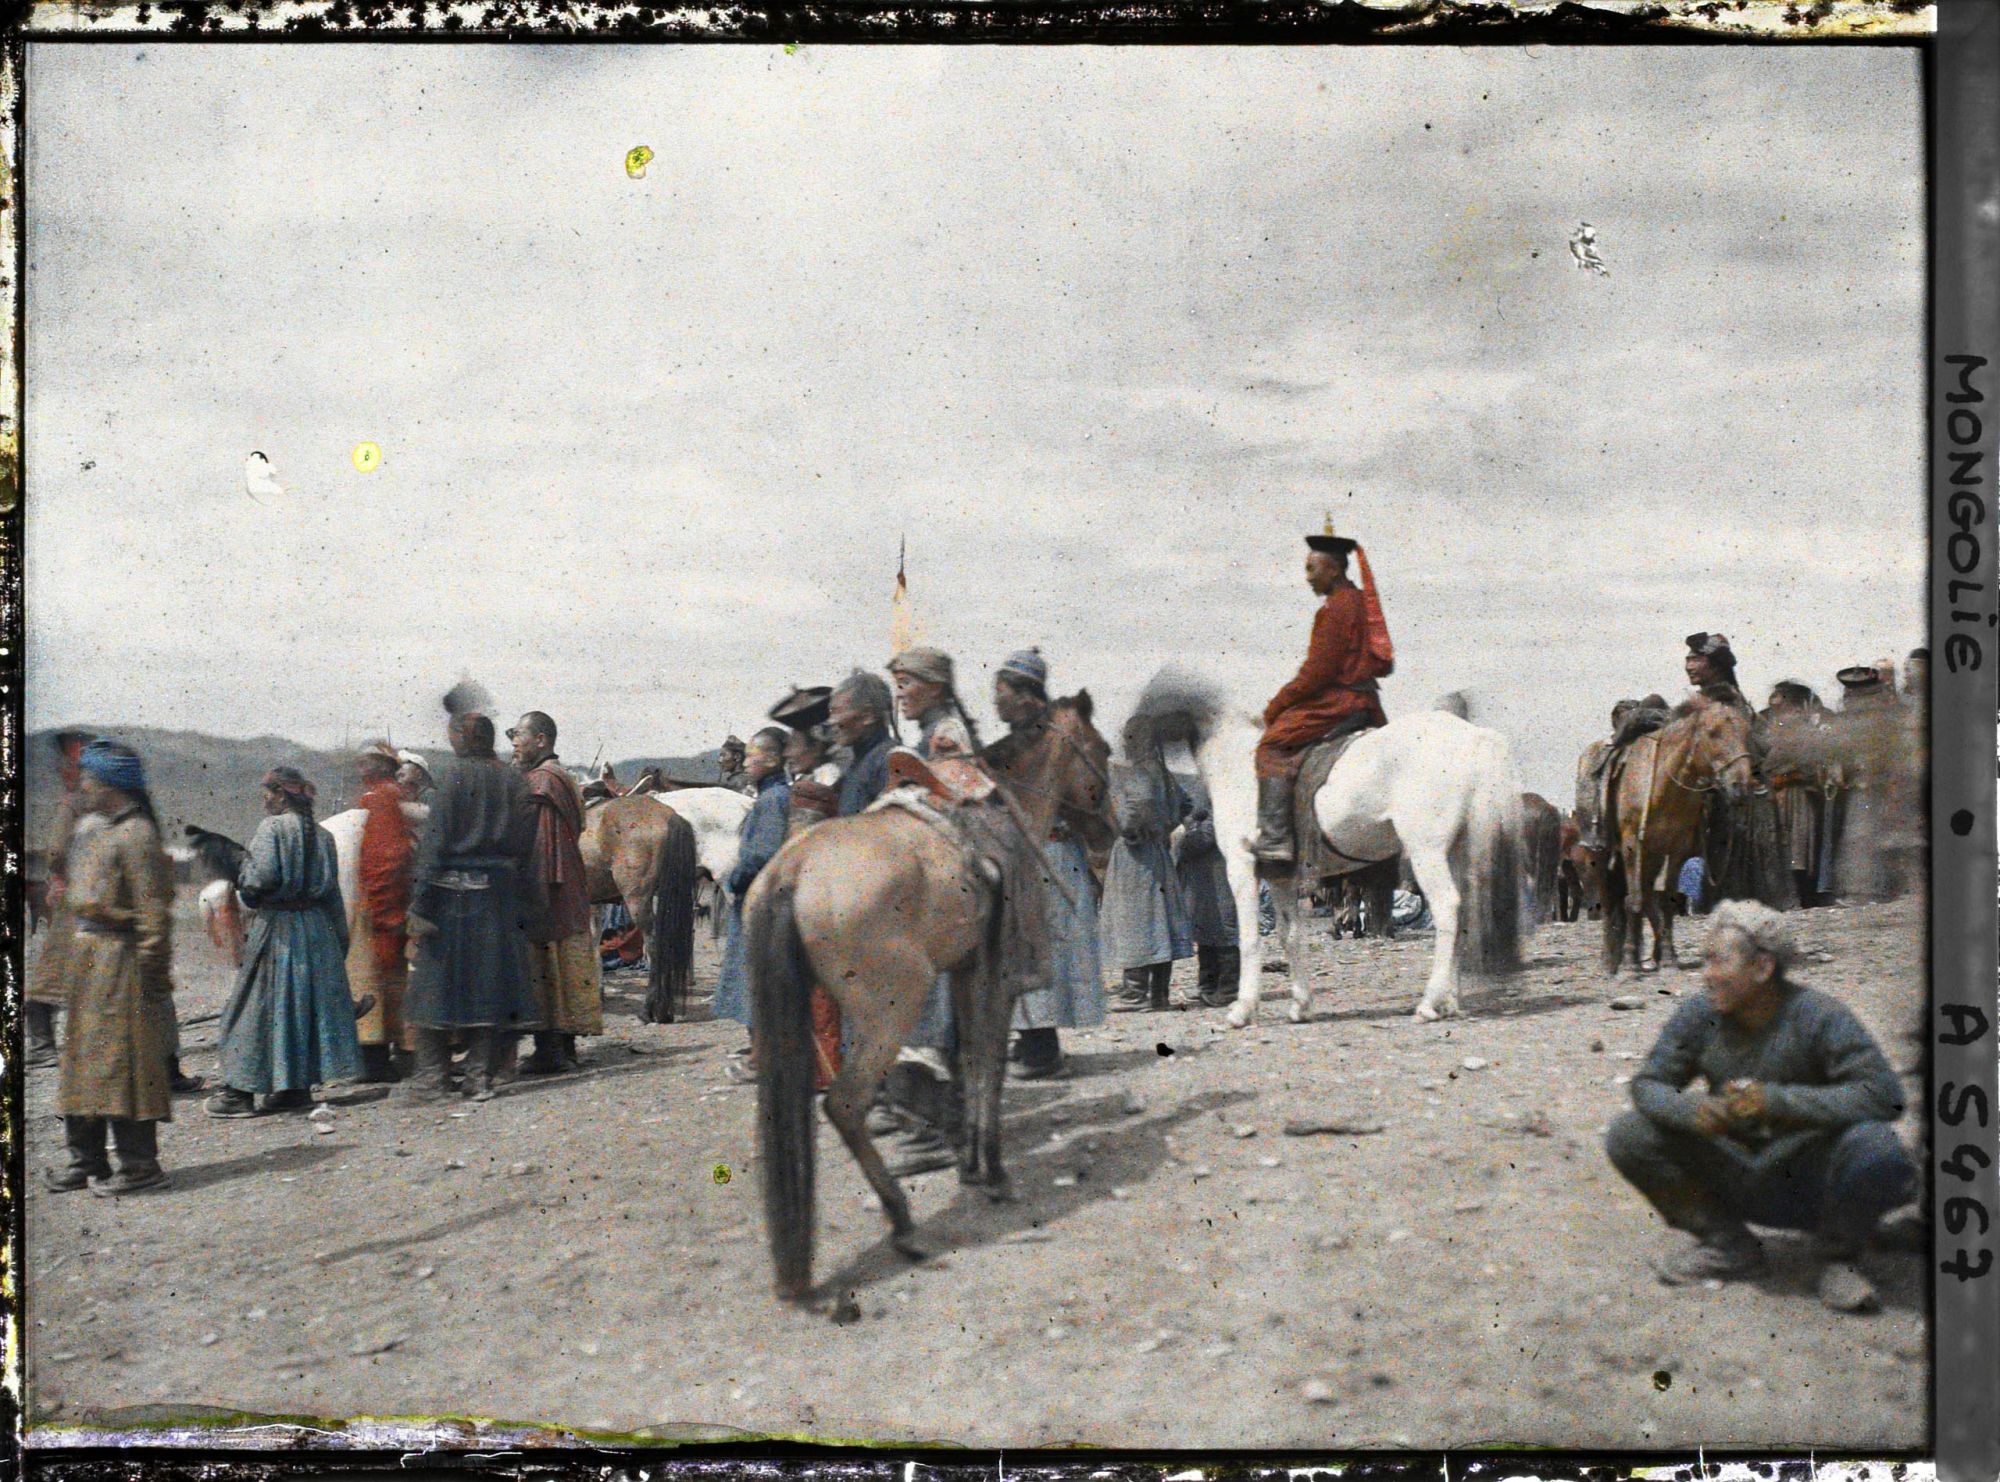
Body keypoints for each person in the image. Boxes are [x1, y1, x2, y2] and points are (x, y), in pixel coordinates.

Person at [1605, 899, 1914, 1312]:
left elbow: (1884, 1095)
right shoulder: (1702, 1015)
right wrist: (1691, 1110)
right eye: (1704, 962)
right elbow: (1649, 1084)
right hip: (1736, 1172)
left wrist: (1775, 1101)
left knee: (1878, 1149)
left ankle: (1839, 1259)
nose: (1707, 975)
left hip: (1811, 1184)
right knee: (1629, 1135)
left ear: (1762, 968)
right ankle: (1729, 1246)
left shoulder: (1820, 1016)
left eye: (1718, 962)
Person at [45, 741, 178, 1195]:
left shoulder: (138, 833)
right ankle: (87, 1161)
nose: (82, 785)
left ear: (110, 784)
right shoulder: (100, 828)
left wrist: (153, 975)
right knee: (82, 1062)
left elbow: (153, 916)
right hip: (90, 965)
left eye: (89, 778)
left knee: (123, 1065)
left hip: (122, 967)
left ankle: (141, 1166)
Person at [205, 767, 363, 1118]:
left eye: (266, 794)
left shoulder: (272, 829)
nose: (264, 801)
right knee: (300, 1009)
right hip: (318, 931)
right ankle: (293, 1090)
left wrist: (240, 874)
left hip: (278, 930)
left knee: (253, 1008)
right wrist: (338, 947)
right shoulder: (324, 837)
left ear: (279, 794)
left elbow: (259, 880)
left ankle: (238, 1094)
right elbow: (334, 898)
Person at [402, 709, 540, 1103]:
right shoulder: (514, 780)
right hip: (499, 898)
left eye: (452, 735)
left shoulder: (451, 778)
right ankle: (479, 1077)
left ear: (463, 738)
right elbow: (526, 846)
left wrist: (420, 903)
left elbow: (435, 845)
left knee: (431, 988)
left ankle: (433, 1078)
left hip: (450, 900)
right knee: (488, 987)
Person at [993, 648, 1105, 1078]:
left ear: (1027, 696)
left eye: (1001, 692)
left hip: (1051, 854)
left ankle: (1043, 1049)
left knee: (1043, 949)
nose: (996, 702)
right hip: (1023, 854)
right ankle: (1030, 1039)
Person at [1253, 525, 1391, 864]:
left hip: (1337, 703)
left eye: (1311, 569)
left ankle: (1275, 840)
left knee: (1271, 746)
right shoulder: (1359, 601)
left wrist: (1276, 706)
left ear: (1333, 568)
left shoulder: (1335, 609)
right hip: (1367, 703)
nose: (1307, 577)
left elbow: (1317, 674)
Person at [510, 711, 603, 1074]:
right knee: (564, 963)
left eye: (519, 735)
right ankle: (564, 1047)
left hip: (549, 885)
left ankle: (550, 1050)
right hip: (568, 883)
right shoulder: (558, 778)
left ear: (542, 740)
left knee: (546, 964)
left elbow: (540, 845)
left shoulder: (542, 783)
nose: (514, 743)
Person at [710, 728, 793, 1068]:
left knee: (754, 978)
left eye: (750, 756)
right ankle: (757, 1046)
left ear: (772, 760)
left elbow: (761, 855)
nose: (744, 762)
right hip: (758, 900)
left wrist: (732, 879)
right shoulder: (771, 796)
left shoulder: (773, 801)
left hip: (758, 902)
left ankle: (763, 1053)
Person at [1105, 714, 1195, 1011]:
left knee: (1136, 922)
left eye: (1130, 739)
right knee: (1160, 922)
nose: (1127, 745)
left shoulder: (1138, 773)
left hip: (1136, 856)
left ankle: (1134, 993)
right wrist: (1167, 826)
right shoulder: (1164, 774)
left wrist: (1127, 828)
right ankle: (1159, 995)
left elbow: (1135, 812)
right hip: (1158, 853)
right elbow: (1189, 806)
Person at [27, 730, 97, 1071]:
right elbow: (57, 852)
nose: (64, 770)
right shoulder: (86, 802)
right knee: (58, 971)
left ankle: (47, 1045)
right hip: (79, 898)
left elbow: (57, 851)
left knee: (55, 971)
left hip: (77, 898)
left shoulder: (79, 801)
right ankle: (43, 1045)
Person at [349, 742, 417, 1083]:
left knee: (377, 979)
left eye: (365, 763)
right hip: (387, 903)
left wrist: (383, 912)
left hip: (382, 906)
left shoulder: (381, 800)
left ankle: (379, 1060)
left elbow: (387, 860)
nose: (359, 769)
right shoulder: (390, 798)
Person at [1759, 683, 1829, 909]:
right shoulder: (1774, 730)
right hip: (1777, 797)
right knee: (1784, 847)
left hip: (1797, 796)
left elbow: (1810, 768)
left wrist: (1785, 778)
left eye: (1780, 697)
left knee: (1798, 847)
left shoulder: (1803, 732)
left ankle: (1804, 897)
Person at [1175, 771, 1241, 1010]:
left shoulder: (1224, 793)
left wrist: (1179, 840)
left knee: (1224, 926)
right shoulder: (1201, 789)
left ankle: (1229, 988)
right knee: (1204, 929)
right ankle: (1207, 985)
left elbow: (1207, 834)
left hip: (1219, 870)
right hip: (1202, 875)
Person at [830, 670, 897, 819]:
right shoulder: (858, 762)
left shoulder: (888, 761)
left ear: (868, 715)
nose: (831, 721)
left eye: (837, 712)